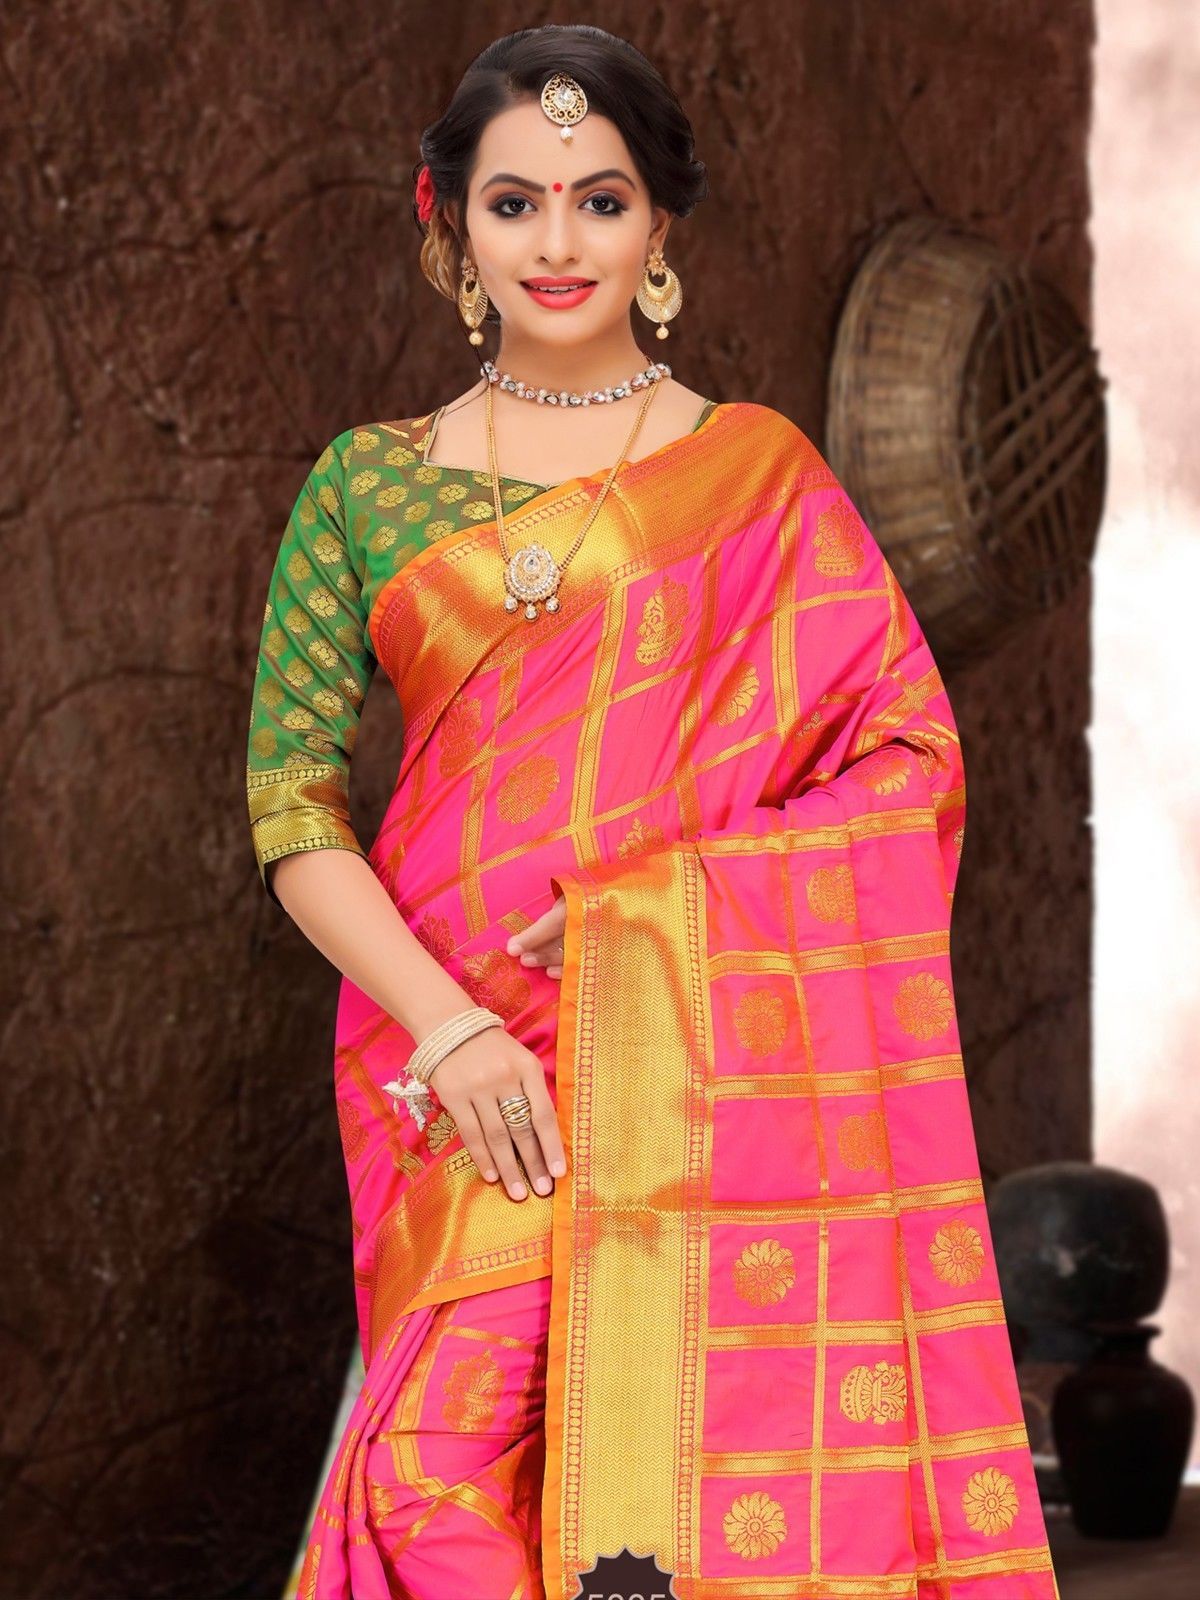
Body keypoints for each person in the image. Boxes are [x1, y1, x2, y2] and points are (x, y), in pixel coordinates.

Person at [248, 24, 1061, 1600]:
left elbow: (908, 766)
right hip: (446, 1061)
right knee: (428, 1471)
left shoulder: (756, 474)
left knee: (651, 1483)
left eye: (600, 201)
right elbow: (295, 814)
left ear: (660, 227)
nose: (558, 245)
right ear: (448, 223)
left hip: (695, 1045)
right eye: (514, 205)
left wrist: (663, 914)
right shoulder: (365, 485)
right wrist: (451, 1029)